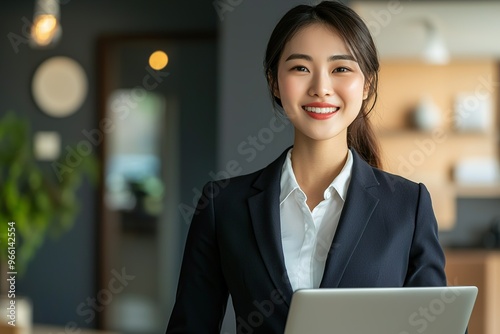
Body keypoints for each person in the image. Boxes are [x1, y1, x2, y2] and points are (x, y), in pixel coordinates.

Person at [166, 1, 447, 333]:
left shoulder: (408, 206)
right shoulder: (223, 205)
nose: (321, 88)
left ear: (367, 84)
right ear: (274, 81)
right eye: (300, 68)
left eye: (341, 69)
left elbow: (438, 326)